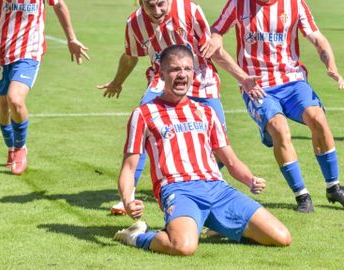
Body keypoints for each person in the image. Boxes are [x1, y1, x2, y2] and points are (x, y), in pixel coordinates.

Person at [113, 45, 291, 255]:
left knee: (281, 237)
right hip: (178, 189)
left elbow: (230, 160)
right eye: (174, 69)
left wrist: (250, 180)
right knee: (183, 247)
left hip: (217, 188)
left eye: (187, 69)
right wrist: (127, 200)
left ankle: (217, 224)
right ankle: (136, 236)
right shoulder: (144, 113)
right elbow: (129, 167)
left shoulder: (205, 112)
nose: (182, 75)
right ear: (161, 74)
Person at [97, 0, 264, 215]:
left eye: (161, 4)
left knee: (219, 146)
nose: (157, 11)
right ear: (140, 3)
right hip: (163, 80)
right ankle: (127, 196)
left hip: (202, 80)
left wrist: (243, 78)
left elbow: (212, 50)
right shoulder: (134, 23)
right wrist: (117, 81)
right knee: (143, 126)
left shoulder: (190, 11)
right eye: (150, 6)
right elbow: (130, 56)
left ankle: (206, 183)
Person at [207, 0, 344, 213]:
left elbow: (317, 37)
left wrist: (331, 65)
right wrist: (215, 38)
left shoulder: (294, 4)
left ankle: (333, 187)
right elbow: (216, 30)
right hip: (257, 85)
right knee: (279, 128)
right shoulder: (239, 4)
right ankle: (302, 196)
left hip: (293, 81)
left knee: (318, 119)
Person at [0, 0, 89, 175]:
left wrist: (71, 38)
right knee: (3, 105)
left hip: (29, 52)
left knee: (15, 99)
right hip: (1, 52)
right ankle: (11, 149)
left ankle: (20, 148)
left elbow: (59, 4)